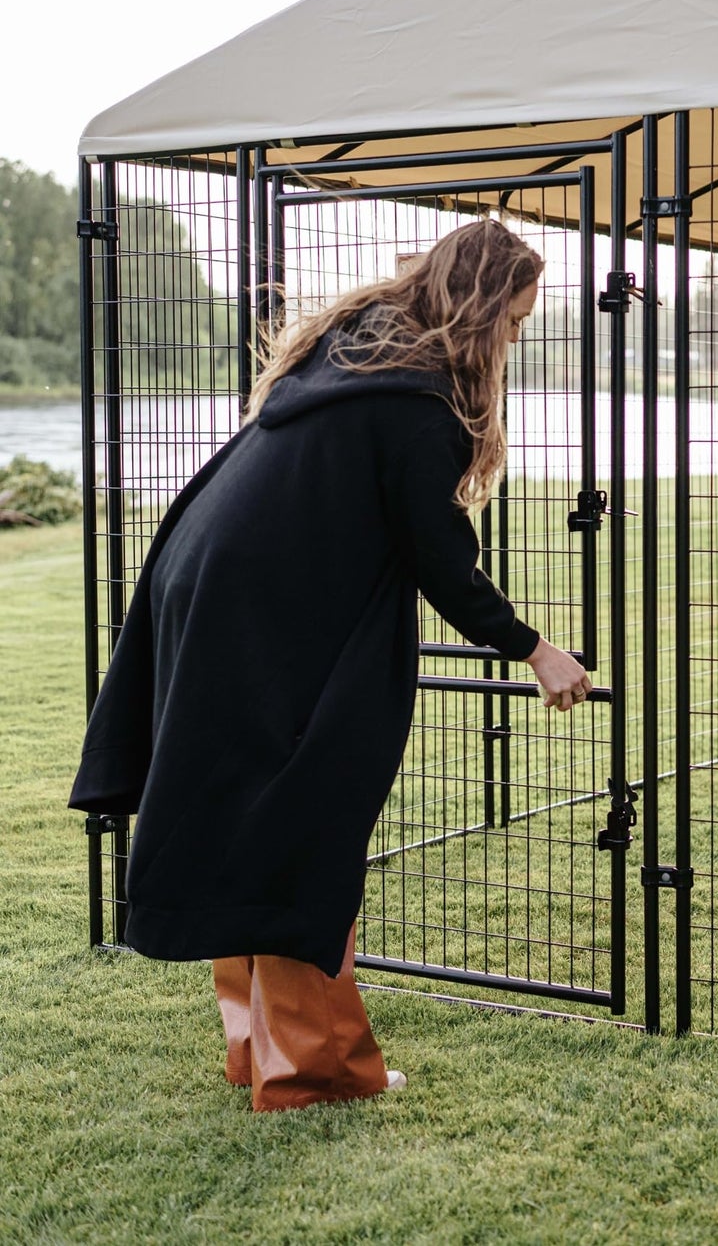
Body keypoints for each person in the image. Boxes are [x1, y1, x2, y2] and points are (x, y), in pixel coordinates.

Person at [69, 219, 590, 1111]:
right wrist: (535, 649)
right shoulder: (415, 401)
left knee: (250, 819)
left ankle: (260, 1049)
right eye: (512, 322)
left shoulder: (353, 356)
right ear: (476, 311)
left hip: (207, 580)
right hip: (255, 606)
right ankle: (314, 1072)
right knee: (303, 827)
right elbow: (440, 561)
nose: (513, 340)